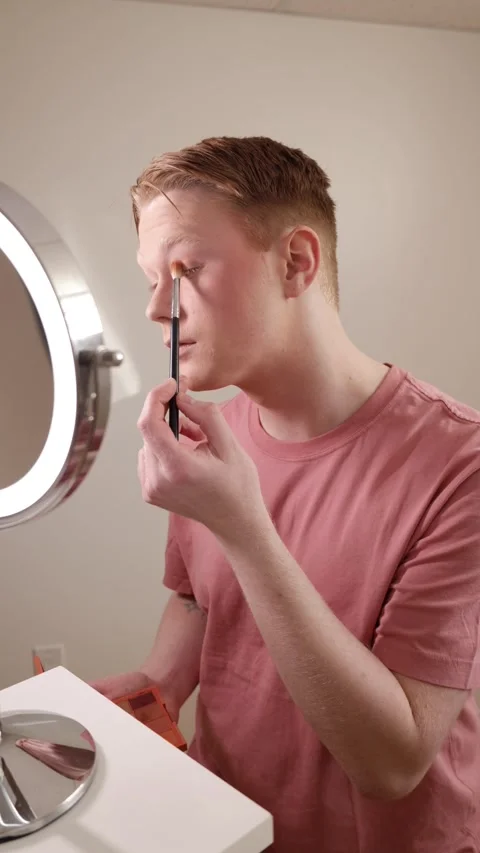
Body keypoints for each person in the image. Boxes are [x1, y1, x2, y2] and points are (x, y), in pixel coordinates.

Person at [92, 136, 480, 852]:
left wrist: (240, 523)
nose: (155, 307)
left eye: (183, 268)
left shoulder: (462, 464)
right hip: (231, 832)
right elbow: (197, 597)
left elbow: (393, 763)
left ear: (296, 262)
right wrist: (154, 692)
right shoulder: (211, 441)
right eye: (149, 278)